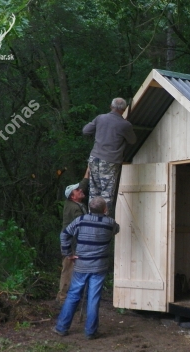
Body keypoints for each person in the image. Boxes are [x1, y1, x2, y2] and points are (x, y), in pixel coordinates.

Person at [53, 196, 120, 339]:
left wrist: (68, 253)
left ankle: (62, 328)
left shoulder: (80, 220)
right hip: (99, 267)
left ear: (90, 208)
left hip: (81, 265)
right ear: (105, 209)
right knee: (93, 298)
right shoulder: (110, 224)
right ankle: (90, 332)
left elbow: (64, 235)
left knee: (73, 295)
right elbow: (117, 229)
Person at [82, 97, 136, 217]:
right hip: (110, 161)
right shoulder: (125, 125)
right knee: (107, 192)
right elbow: (132, 140)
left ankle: (91, 220)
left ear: (111, 106)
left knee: (94, 191)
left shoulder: (100, 118)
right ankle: (103, 223)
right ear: (124, 109)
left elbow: (86, 130)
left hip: (94, 158)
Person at [56, 167, 89, 304]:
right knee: (68, 270)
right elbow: (81, 228)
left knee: (73, 271)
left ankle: (70, 297)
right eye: (78, 191)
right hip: (71, 244)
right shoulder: (75, 209)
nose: (81, 190)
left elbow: (83, 184)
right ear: (73, 196)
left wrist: (88, 168)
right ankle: (62, 298)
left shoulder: (74, 200)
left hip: (74, 243)